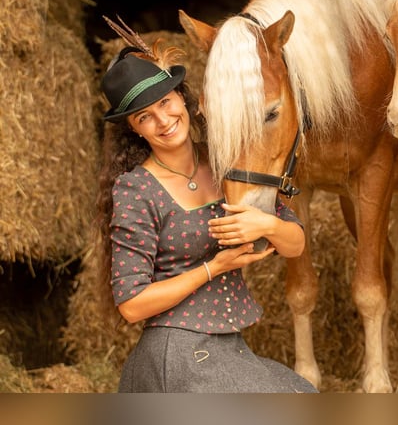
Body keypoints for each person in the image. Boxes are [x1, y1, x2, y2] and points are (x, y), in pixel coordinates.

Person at [95, 21, 317, 393]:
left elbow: (295, 243)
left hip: (228, 345)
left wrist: (266, 226)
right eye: (144, 117)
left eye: (166, 102)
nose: (163, 121)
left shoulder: (226, 162)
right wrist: (214, 268)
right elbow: (132, 305)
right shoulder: (136, 188)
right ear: (135, 129)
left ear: (184, 97)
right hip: (174, 351)